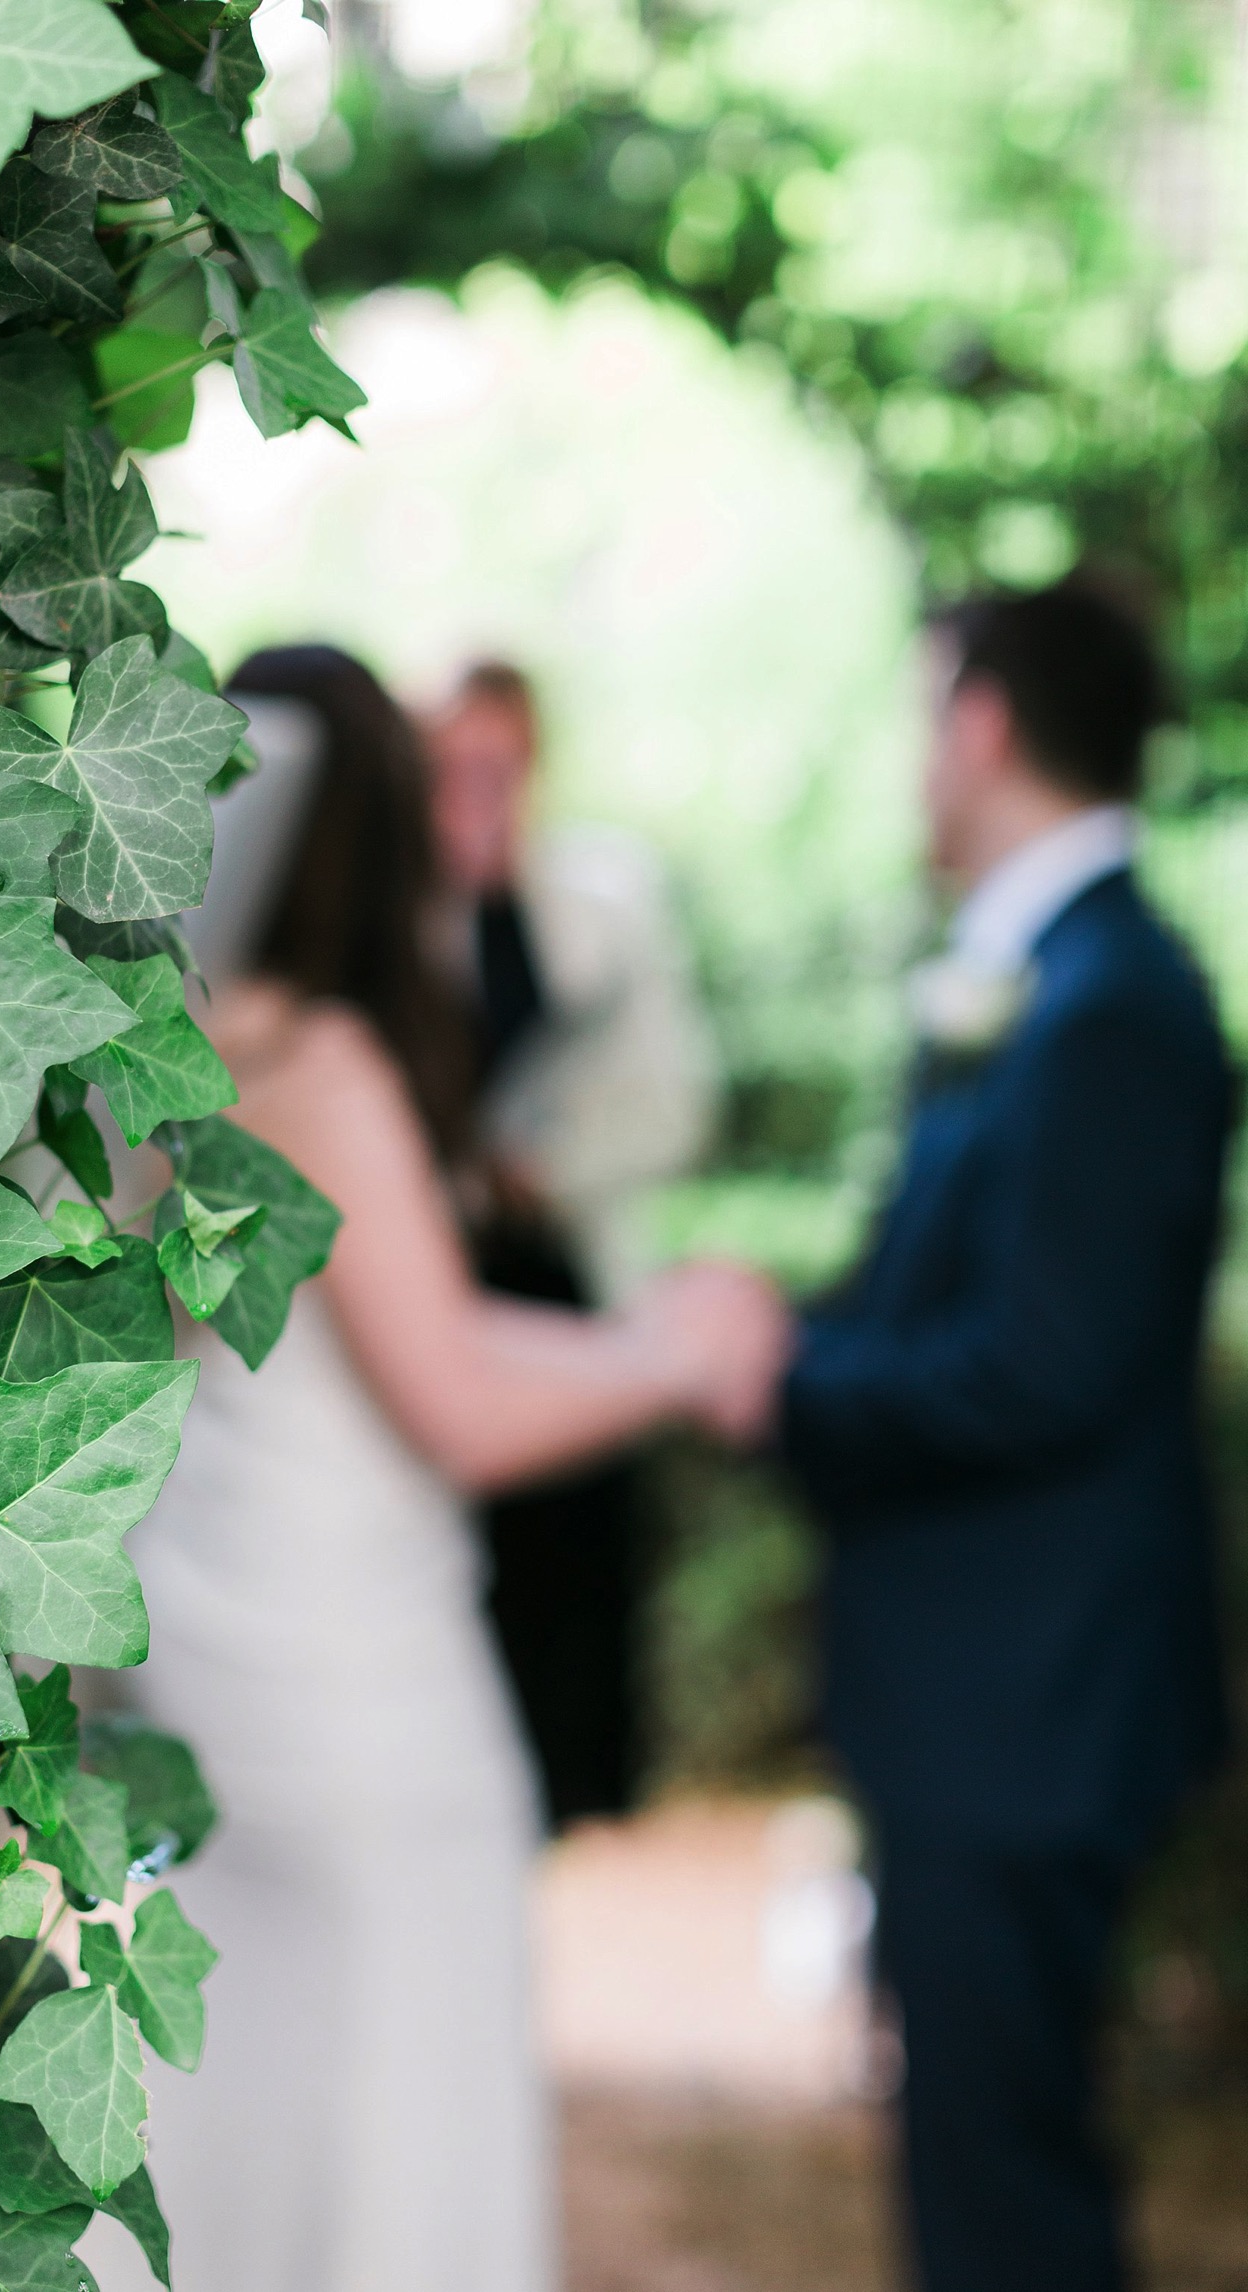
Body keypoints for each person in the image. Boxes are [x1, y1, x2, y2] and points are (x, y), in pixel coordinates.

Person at [101, 646, 777, 2292]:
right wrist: (681, 1353)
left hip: (204, 1647)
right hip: (356, 1684)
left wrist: (638, 1342)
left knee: (233, 2080)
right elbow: (454, 1396)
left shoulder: (153, 1059)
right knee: (409, 2107)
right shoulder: (324, 1066)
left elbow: (395, 1331)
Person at [727, 581, 1233, 2290]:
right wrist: (794, 1338)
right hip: (985, 1693)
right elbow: (949, 1298)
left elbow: (1040, 1361)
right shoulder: (1042, 976)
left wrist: (773, 1388)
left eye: (917, 714)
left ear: (981, 724)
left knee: (1008, 2187)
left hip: (1036, 1698)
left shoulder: (1109, 1006)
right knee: (971, 2159)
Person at [425, 663, 718, 1826]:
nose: (477, 790)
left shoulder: (604, 900)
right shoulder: (389, 916)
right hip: (444, 1297)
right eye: (454, 766)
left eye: (497, 764)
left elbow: (672, 1100)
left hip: (568, 1283)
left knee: (570, 1615)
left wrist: (546, 1170)